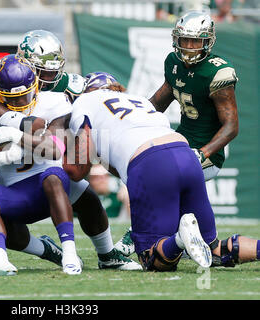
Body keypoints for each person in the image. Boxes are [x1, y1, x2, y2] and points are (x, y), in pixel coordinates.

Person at [0, 31, 140, 271]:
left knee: (87, 196)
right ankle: (44, 249)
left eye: (52, 71)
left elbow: (97, 102)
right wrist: (14, 121)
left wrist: (20, 134)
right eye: (42, 71)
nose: (47, 78)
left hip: (46, 159)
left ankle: (107, 254)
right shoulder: (2, 75)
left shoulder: (63, 90)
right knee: (6, 226)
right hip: (5, 171)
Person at [62, 72, 260, 271]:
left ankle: (180, 239)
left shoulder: (85, 101)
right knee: (214, 249)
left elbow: (76, 170)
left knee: (150, 258)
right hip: (185, 154)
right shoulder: (138, 101)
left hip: (150, 162)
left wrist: (56, 154)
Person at [0, 54, 82, 275]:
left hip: (49, 186)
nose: (19, 103)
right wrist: (5, 157)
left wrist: (16, 136)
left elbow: (55, 149)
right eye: (11, 98)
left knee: (55, 177)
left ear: (35, 86)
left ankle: (70, 253)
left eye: (24, 95)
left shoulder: (54, 102)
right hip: (17, 192)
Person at [149, 10, 239, 182]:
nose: (189, 46)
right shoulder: (174, 62)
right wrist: (132, 114)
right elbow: (156, 104)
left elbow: (232, 126)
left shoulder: (217, 72)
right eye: (185, 39)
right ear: (177, 39)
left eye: (196, 41)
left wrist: (202, 153)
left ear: (207, 41)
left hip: (208, 154)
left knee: (165, 178)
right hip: (181, 141)